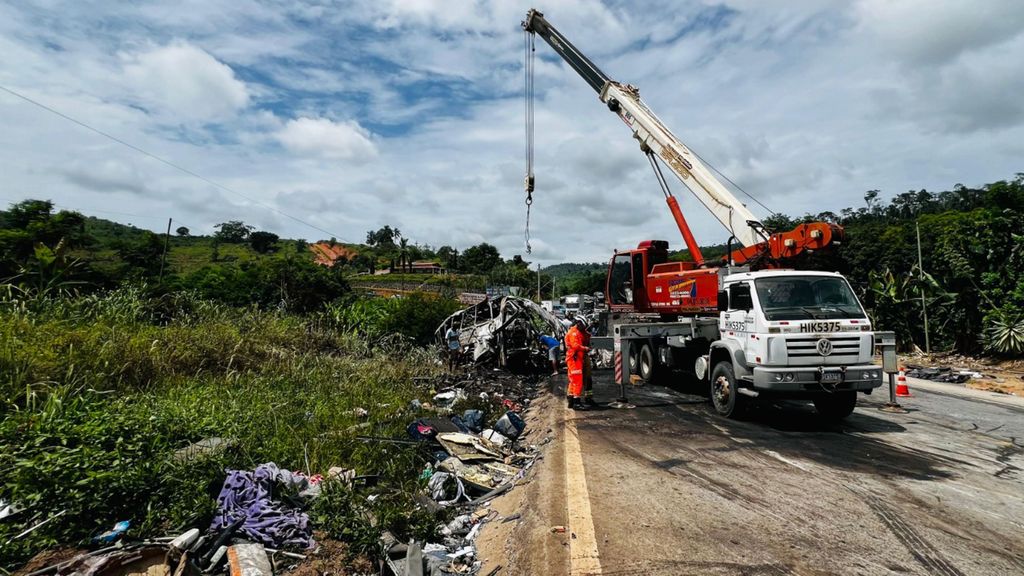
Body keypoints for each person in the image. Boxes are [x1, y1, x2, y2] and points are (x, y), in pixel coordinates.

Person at [564, 317, 590, 410]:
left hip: (573, 359)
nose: (583, 327)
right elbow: (575, 346)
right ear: (578, 323)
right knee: (578, 381)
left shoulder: (573, 331)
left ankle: (571, 400)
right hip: (575, 360)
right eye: (583, 325)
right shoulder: (574, 333)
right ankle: (576, 403)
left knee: (573, 381)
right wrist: (585, 348)